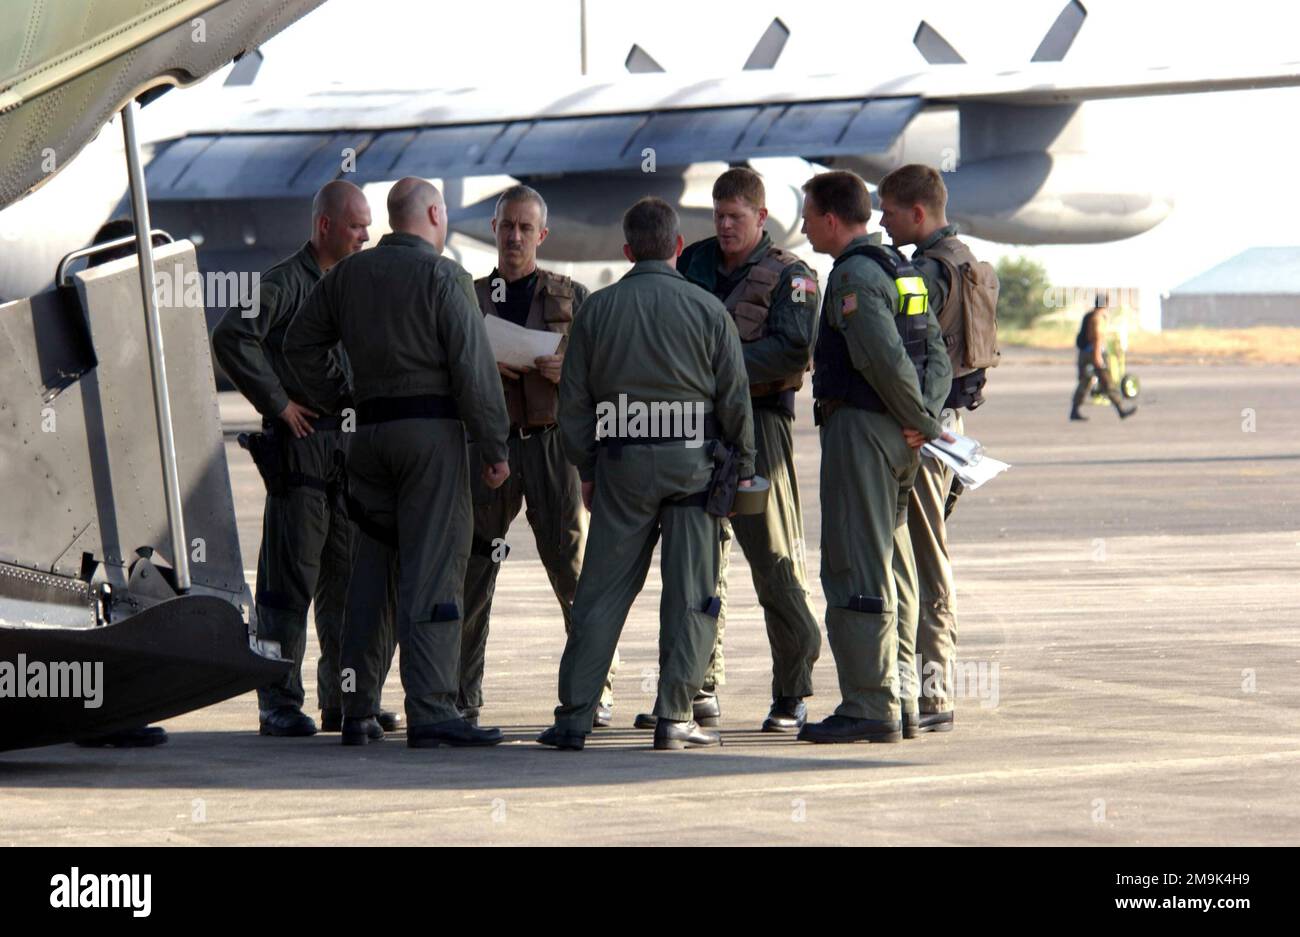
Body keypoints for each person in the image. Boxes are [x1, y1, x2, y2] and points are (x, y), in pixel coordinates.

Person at [284, 177, 512, 748]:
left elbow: (297, 345)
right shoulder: (443, 275)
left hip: (369, 438)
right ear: (435, 213)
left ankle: (357, 705)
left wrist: (340, 396)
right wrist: (494, 446)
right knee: (434, 567)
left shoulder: (348, 276)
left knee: (370, 573)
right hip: (429, 439)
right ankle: (433, 708)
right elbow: (474, 368)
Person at [537, 197, 755, 752]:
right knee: (692, 595)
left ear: (628, 250)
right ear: (678, 246)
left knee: (600, 595)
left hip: (622, 468)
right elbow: (735, 401)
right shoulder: (708, 310)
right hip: (693, 468)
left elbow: (573, 405)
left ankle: (574, 719)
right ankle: (674, 716)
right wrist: (742, 469)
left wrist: (588, 466)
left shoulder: (597, 311)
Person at [211, 181, 401, 738]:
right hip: (301, 455)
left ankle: (343, 701)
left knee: (346, 587)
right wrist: (278, 403)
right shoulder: (284, 284)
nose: (367, 235)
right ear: (325, 227)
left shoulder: (352, 286)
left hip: (348, 458)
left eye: (368, 226)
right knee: (286, 586)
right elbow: (231, 337)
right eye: (357, 226)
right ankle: (277, 702)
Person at [645, 166, 819, 734]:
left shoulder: (792, 276)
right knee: (697, 566)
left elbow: (791, 353)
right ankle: (696, 687)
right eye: (718, 215)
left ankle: (792, 691)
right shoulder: (692, 262)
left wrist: (712, 368)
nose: (723, 225)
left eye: (735, 217)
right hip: (692, 428)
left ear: (761, 218)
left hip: (760, 428)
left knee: (772, 561)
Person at [799, 170, 952, 744]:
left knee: (854, 564)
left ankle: (870, 703)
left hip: (865, 431)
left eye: (810, 216)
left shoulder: (855, 277)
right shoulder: (903, 269)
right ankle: (904, 697)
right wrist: (926, 419)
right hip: (903, 435)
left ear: (831, 220)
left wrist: (918, 418)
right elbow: (934, 349)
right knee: (895, 564)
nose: (807, 227)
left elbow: (883, 360)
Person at [459, 185, 617, 728]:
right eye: (506, 226)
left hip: (554, 447)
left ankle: (592, 690)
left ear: (542, 235)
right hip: (493, 449)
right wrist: (482, 366)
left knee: (573, 570)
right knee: (475, 570)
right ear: (494, 230)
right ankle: (463, 697)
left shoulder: (574, 297)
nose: (515, 237)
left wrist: (567, 369)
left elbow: (608, 367)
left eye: (526, 228)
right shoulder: (471, 297)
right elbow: (444, 365)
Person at [878, 163, 999, 734]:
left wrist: (917, 417)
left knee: (924, 557)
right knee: (927, 552)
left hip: (924, 430)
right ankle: (927, 687)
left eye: (891, 210)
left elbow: (907, 352)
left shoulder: (922, 271)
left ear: (918, 213)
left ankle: (933, 693)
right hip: (949, 424)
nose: (882, 219)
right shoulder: (971, 261)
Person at [73, 219, 173, 749]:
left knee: (108, 596)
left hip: (101, 486)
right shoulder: (113, 316)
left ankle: (106, 711)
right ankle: (106, 716)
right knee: (114, 595)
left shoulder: (79, 306)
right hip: (107, 487)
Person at [1071, 294, 1136, 421]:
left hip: (1084, 354)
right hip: (1093, 354)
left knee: (1085, 382)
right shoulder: (1098, 318)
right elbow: (1097, 338)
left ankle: (1074, 410)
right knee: (1107, 382)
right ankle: (1120, 410)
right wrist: (1097, 357)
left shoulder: (1089, 315)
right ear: (1105, 304)